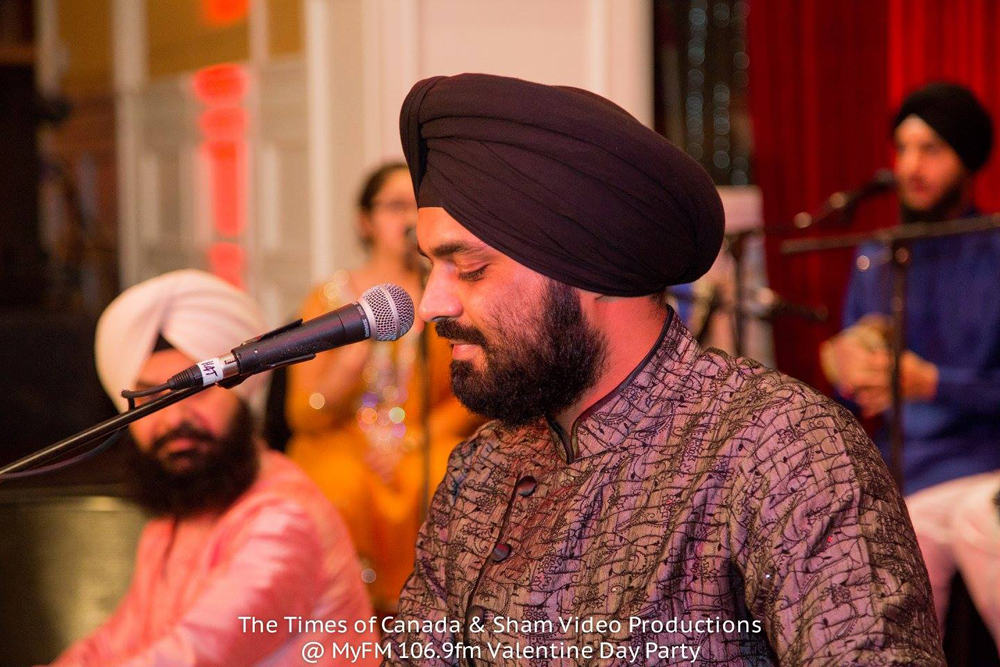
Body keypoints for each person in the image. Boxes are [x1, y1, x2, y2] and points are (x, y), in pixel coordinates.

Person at [380, 73, 944, 665]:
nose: (432, 304)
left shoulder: (783, 449)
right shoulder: (482, 469)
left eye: (470, 268)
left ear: (587, 266)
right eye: (430, 267)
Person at [49, 269, 377, 667]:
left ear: (241, 395)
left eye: (197, 392)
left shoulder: (284, 520)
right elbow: (111, 646)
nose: (174, 419)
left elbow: (190, 656)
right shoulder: (173, 521)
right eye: (150, 398)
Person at [822, 82, 1000, 640]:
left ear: (966, 159)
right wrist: (846, 368)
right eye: (902, 149)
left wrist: (933, 384)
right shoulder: (879, 254)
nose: (909, 167)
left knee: (979, 524)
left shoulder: (994, 248)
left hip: (985, 469)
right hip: (901, 474)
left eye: (930, 149)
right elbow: (852, 383)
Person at [285, 163, 480, 616]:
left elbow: (467, 397)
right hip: (343, 440)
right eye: (394, 207)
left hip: (422, 437)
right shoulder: (328, 298)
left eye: (417, 207)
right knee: (339, 485)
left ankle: (428, 614)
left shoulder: (443, 296)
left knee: (445, 476)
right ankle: (347, 614)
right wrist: (347, 366)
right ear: (365, 221)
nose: (408, 219)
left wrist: (411, 440)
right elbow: (305, 413)